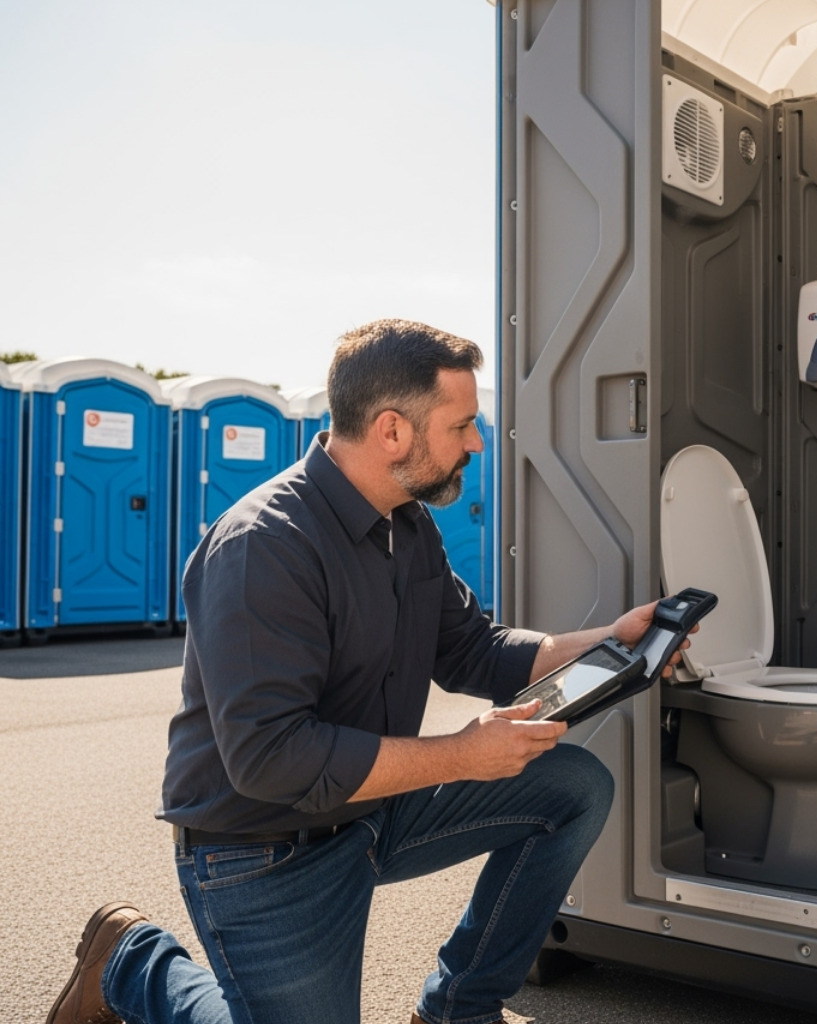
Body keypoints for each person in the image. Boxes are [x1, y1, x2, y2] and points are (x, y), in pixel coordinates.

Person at [48, 320, 688, 1024]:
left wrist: (610, 640)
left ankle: (458, 1008)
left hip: (371, 810)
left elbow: (473, 648)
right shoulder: (265, 548)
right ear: (392, 432)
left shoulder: (406, 524)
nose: (477, 443)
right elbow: (272, 760)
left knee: (574, 786)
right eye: (463, 425)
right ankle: (131, 962)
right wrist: (461, 755)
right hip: (263, 848)